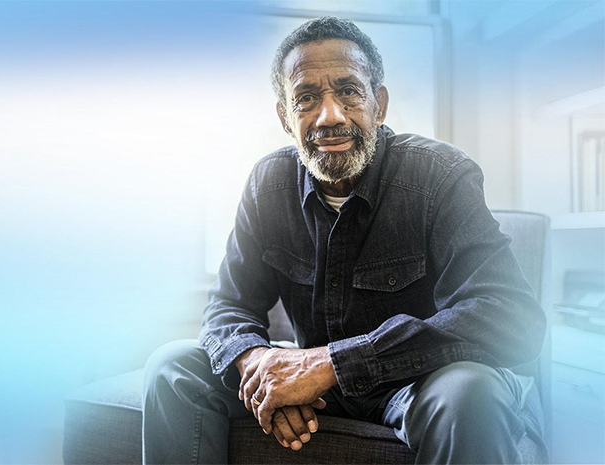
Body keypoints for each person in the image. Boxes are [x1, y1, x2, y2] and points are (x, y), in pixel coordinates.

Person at [142, 16, 547, 464]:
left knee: (471, 391)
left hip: (422, 382)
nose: (329, 116)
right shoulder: (267, 184)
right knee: (173, 367)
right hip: (318, 388)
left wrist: (330, 364)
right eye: (306, 98)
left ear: (380, 104)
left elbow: (510, 317)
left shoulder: (441, 176)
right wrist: (259, 365)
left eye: (349, 91)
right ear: (285, 117)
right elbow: (228, 306)